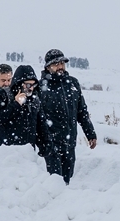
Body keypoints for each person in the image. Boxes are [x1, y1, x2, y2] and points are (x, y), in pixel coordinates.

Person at [38, 49, 97, 184]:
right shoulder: (41, 87)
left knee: (67, 178)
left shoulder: (73, 83)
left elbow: (81, 111)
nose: (60, 67)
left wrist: (90, 134)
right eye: (56, 64)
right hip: (51, 143)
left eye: (62, 63)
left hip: (69, 142)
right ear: (48, 67)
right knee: (54, 180)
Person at [0, 64, 44, 149]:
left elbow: (41, 125)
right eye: (28, 85)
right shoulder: (3, 96)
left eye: (33, 85)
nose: (31, 88)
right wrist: (16, 105)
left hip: (28, 153)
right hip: (6, 154)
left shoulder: (34, 100)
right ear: (19, 83)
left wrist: (45, 146)